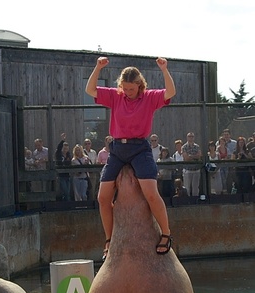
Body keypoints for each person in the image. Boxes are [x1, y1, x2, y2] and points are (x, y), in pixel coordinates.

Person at [86, 56, 176, 261]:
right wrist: (97, 68)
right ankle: (109, 239)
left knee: (151, 193)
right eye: (125, 88)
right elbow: (90, 90)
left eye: (131, 89)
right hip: (117, 148)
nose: (127, 92)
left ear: (139, 86)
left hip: (139, 148)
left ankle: (166, 233)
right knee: (102, 197)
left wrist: (164, 69)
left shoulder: (149, 97)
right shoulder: (116, 96)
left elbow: (170, 92)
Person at [181, 132, 202, 196]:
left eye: (192, 136)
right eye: (189, 136)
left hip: (196, 169)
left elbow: (199, 156)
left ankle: (195, 201)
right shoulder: (184, 147)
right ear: (187, 138)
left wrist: (191, 156)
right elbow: (186, 158)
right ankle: (188, 200)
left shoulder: (197, 146)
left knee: (195, 187)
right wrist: (194, 156)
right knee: (187, 187)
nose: (191, 138)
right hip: (187, 170)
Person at [54, 133, 72, 201]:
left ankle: (67, 205)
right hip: (61, 175)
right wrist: (62, 140)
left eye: (67, 148)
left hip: (67, 175)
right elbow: (58, 149)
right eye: (64, 148)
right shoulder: (59, 154)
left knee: (67, 191)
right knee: (65, 191)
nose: (65, 149)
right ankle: (67, 205)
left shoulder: (68, 155)